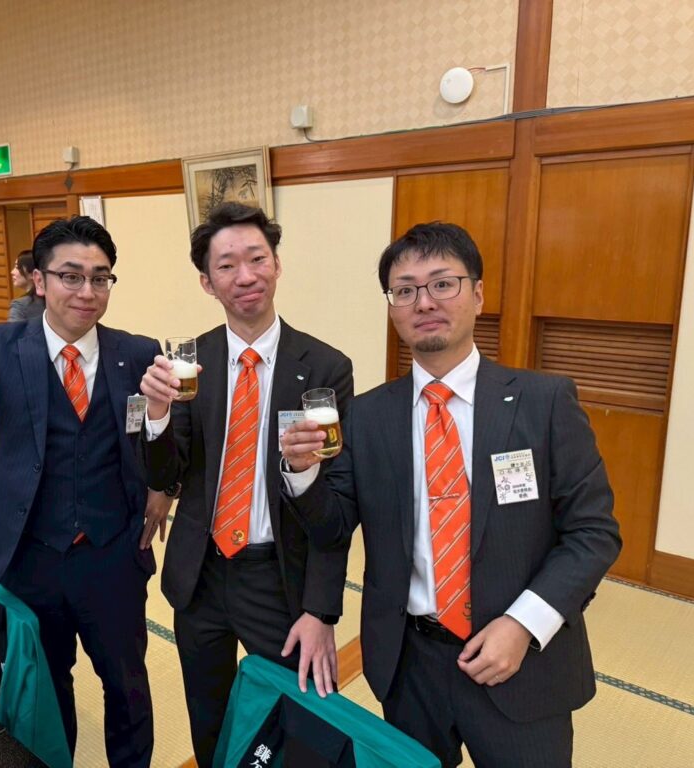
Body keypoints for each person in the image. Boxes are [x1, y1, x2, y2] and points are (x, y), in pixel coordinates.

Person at [281, 222, 622, 768]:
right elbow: (332, 525)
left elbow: (593, 532)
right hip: (409, 663)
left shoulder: (543, 402)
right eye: (405, 290)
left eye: (443, 283)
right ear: (393, 308)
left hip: (521, 663)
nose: (424, 302)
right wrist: (302, 474)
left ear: (478, 294)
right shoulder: (367, 415)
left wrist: (523, 624)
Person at [0, 216, 163, 767]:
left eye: (100, 278)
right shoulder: (2, 345)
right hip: (29, 555)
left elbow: (160, 437)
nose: (86, 291)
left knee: (128, 684)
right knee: (45, 682)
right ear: (39, 281)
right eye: (71, 276)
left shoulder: (136, 352)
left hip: (110, 554)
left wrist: (164, 485)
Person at [138, 203, 354, 767]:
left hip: (279, 579)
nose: (245, 275)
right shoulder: (192, 361)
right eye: (227, 265)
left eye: (257, 259)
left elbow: (337, 507)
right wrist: (156, 416)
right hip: (201, 576)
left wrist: (322, 610)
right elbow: (166, 475)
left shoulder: (325, 367)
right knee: (209, 723)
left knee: (293, 726)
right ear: (207, 283)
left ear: (277, 265)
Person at [8, 249, 46, 321]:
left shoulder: (20, 306)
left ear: (33, 274)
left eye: (17, 267)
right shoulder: (52, 300)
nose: (12, 272)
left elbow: (13, 329)